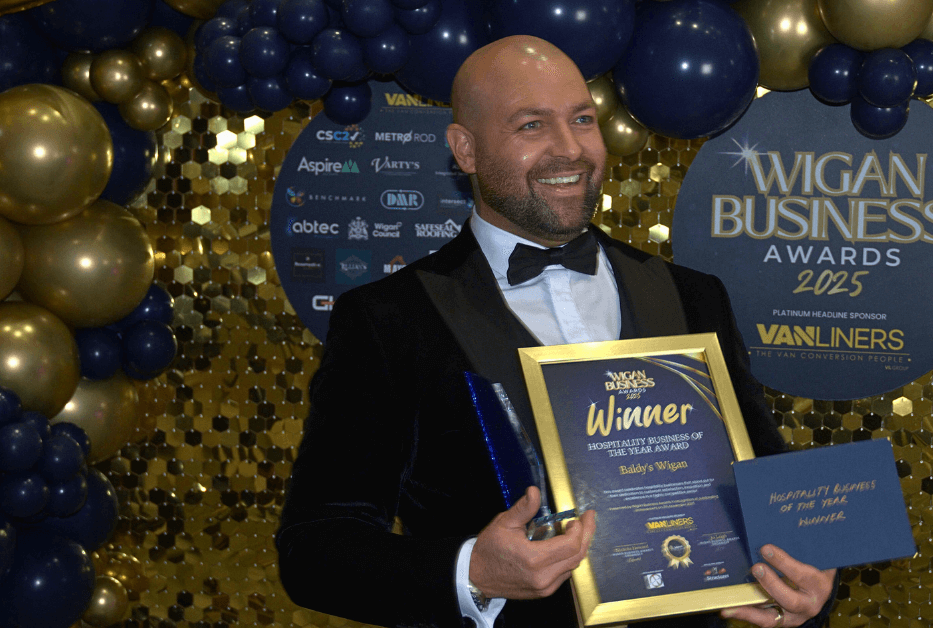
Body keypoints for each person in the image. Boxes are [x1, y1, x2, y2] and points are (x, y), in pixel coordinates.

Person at [276, 35, 836, 628]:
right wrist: (472, 572)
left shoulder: (694, 297)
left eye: (582, 119)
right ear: (464, 149)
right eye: (531, 126)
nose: (570, 149)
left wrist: (803, 588)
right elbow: (315, 550)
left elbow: (771, 506)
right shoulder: (390, 319)